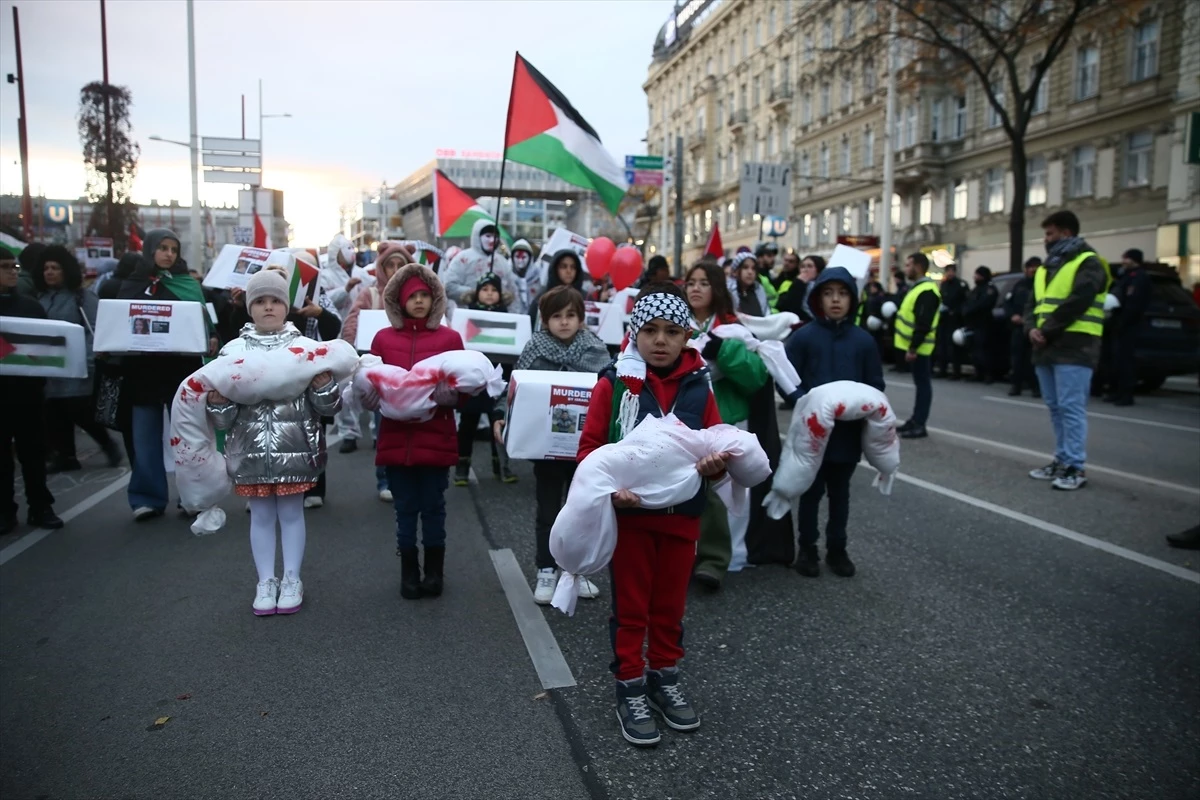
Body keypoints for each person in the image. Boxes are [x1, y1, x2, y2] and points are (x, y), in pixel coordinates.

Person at [577, 284, 726, 747]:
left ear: (687, 338)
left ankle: (664, 674)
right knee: (632, 608)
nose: (660, 340)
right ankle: (630, 683)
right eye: (650, 330)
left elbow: (718, 444)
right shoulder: (614, 382)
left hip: (682, 520)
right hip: (633, 522)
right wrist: (611, 490)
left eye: (672, 331)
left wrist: (716, 465)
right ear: (634, 334)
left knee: (669, 607)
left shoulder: (701, 388)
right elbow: (589, 451)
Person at [206, 270, 342, 616]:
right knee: (261, 517)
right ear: (250, 307)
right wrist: (218, 401)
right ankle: (265, 581)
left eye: (276, 300)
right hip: (249, 451)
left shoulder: (306, 350)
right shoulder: (231, 351)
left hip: (295, 447)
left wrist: (324, 384)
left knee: (293, 514)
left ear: (287, 306)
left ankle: (292, 578)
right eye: (261, 301)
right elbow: (221, 420)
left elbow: (329, 408)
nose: (269, 307)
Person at [492, 285, 611, 605]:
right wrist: (501, 415)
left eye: (571, 315)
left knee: (584, 511)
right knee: (548, 511)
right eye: (556, 316)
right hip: (545, 450)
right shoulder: (534, 349)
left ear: (581, 319)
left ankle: (577, 570)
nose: (564, 322)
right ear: (545, 320)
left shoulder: (596, 350)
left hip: (585, 448)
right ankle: (546, 569)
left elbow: (611, 393)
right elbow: (514, 388)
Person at [363, 258, 464, 600]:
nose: (419, 301)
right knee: (405, 508)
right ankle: (409, 570)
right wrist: (371, 398)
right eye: (412, 296)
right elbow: (369, 382)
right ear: (398, 301)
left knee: (433, 505)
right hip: (396, 438)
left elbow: (465, 387)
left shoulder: (450, 338)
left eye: (425, 294)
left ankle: (435, 572)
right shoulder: (383, 339)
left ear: (435, 297)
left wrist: (453, 395)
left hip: (435, 436)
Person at [784, 267, 885, 578]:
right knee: (811, 491)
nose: (836, 300)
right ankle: (808, 548)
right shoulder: (804, 337)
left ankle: (837, 548)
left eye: (842, 293)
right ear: (818, 299)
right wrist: (803, 403)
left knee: (840, 492)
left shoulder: (863, 341)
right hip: (812, 433)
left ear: (852, 299)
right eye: (828, 294)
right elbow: (786, 377)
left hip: (847, 433)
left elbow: (875, 384)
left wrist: (862, 407)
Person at [116, 229, 217, 521]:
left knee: (188, 437)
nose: (169, 254)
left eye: (173, 249)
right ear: (149, 251)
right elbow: (118, 323)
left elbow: (204, 321)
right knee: (144, 438)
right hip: (142, 373)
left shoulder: (187, 284)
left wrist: (210, 336)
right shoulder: (132, 284)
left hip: (179, 371)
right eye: (162, 248)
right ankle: (147, 499)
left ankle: (192, 497)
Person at [684, 260, 769, 590]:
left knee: (731, 492)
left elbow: (756, 376)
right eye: (691, 282)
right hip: (686, 422)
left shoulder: (735, 329)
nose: (695, 288)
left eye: (704, 282)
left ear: (717, 289)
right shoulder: (674, 327)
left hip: (729, 419)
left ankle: (727, 557)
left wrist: (725, 350)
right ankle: (688, 554)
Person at [1025, 210, 1111, 491]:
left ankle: (1076, 466)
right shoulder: (1049, 266)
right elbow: (1032, 305)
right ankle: (1061, 460)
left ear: (1066, 233)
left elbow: (1079, 301)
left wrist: (1045, 330)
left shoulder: (1089, 262)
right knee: (1056, 408)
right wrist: (1030, 329)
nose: (1046, 240)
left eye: (1050, 234)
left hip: (1076, 347)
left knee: (1071, 408)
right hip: (1046, 348)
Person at [31, 246, 122, 472]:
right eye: (46, 268)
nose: (50, 272)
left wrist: (91, 360)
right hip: (49, 368)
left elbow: (95, 329)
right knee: (53, 413)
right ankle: (66, 456)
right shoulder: (40, 299)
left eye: (55, 268)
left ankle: (108, 444)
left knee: (79, 411)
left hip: (78, 367)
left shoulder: (82, 297)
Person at [337, 241, 412, 499]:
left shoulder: (416, 295)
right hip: (381, 371)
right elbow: (353, 320)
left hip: (411, 371)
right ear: (381, 267)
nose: (394, 269)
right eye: (389, 264)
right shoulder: (370, 294)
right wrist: (350, 349)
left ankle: (409, 476)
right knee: (384, 428)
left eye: (400, 265)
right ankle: (385, 481)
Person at [1, 253, 63, 534]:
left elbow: (45, 347)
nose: (12, 272)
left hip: (28, 393)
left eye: (14, 267)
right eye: (5, 268)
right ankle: (5, 512)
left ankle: (40, 507)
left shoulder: (30, 306)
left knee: (33, 453)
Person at [456, 272, 516, 486]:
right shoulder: (467, 316)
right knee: (468, 424)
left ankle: (501, 466)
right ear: (477, 293)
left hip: (498, 377)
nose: (489, 294)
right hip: (473, 379)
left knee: (498, 422)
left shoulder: (508, 316)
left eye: (494, 290)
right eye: (485, 289)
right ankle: (461, 467)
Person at [894, 252, 941, 439]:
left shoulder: (927, 291)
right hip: (915, 347)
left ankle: (919, 423)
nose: (906, 269)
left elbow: (924, 322)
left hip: (920, 348)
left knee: (923, 386)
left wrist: (913, 347)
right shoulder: (918, 288)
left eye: (908, 265)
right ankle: (915, 420)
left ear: (918, 267)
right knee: (920, 385)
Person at [1103, 248, 1151, 406]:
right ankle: (1116, 391)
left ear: (1134, 260)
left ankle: (1126, 394)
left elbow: (1133, 303)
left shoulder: (1139, 277)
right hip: (1119, 324)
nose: (1123, 261)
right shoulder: (1126, 276)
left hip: (1129, 325)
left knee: (1126, 361)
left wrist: (1122, 322)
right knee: (1116, 360)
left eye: (1126, 258)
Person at [441, 219, 518, 307]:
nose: (492, 240)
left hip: (497, 316)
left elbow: (513, 291)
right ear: (477, 236)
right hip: (467, 314)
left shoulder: (502, 262)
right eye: (488, 236)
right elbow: (449, 286)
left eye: (495, 236)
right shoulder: (462, 258)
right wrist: (473, 293)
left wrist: (504, 297)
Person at [1006, 257, 1042, 397]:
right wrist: (1013, 315)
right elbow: (1007, 303)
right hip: (1019, 328)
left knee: (1034, 359)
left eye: (1036, 267)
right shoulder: (1019, 285)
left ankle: (1036, 387)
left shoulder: (1043, 284)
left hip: (1036, 327)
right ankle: (1016, 386)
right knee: (1017, 359)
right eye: (1030, 267)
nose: (1033, 270)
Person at [532, 250, 592, 326]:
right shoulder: (543, 298)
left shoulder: (586, 298)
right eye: (563, 266)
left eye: (573, 267)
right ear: (555, 269)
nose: (569, 271)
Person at [962, 266, 999, 384]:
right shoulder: (976, 289)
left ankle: (988, 374)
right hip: (973, 324)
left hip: (984, 323)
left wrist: (970, 310)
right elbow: (968, 302)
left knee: (984, 349)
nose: (975, 277)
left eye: (977, 275)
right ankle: (978, 372)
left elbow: (982, 304)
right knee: (974, 349)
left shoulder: (989, 289)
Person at [319, 233, 369, 319]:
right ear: (336, 253)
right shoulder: (325, 276)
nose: (352, 252)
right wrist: (345, 289)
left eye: (352, 248)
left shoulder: (360, 272)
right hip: (337, 329)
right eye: (348, 248)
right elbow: (324, 301)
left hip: (357, 326)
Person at [935, 264, 968, 380]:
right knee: (942, 345)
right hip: (944, 319)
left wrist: (955, 312)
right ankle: (942, 370)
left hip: (955, 320)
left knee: (953, 348)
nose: (949, 273)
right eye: (947, 271)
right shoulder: (944, 285)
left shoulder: (961, 285)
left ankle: (956, 371)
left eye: (951, 271)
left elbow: (964, 302)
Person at [776, 254, 825, 323]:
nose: (805, 270)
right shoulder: (790, 283)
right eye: (802, 266)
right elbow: (786, 306)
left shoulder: (824, 285)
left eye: (809, 266)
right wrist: (798, 284)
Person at [728, 252, 769, 317]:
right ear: (735, 272)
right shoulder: (728, 291)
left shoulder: (759, 289)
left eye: (753, 268)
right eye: (745, 267)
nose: (750, 272)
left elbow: (766, 314)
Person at [509, 239, 540, 315]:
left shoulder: (538, 278)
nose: (520, 261)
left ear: (530, 258)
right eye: (517, 257)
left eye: (523, 257)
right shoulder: (507, 278)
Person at [753, 241, 780, 309]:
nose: (773, 259)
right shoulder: (754, 276)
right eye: (769, 256)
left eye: (774, 256)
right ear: (759, 257)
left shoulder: (770, 275)